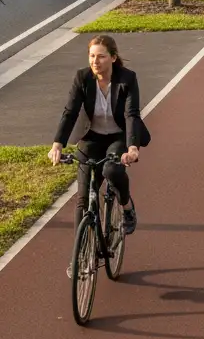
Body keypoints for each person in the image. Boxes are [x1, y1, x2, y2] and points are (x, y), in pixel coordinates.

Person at [49, 35, 148, 270]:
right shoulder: (82, 78)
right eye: (92, 56)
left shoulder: (127, 79)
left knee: (112, 170)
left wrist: (132, 147)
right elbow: (70, 111)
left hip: (118, 137)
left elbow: (131, 114)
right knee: (83, 198)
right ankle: (80, 255)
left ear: (113, 58)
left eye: (101, 56)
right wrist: (57, 144)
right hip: (91, 137)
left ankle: (126, 206)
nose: (96, 61)